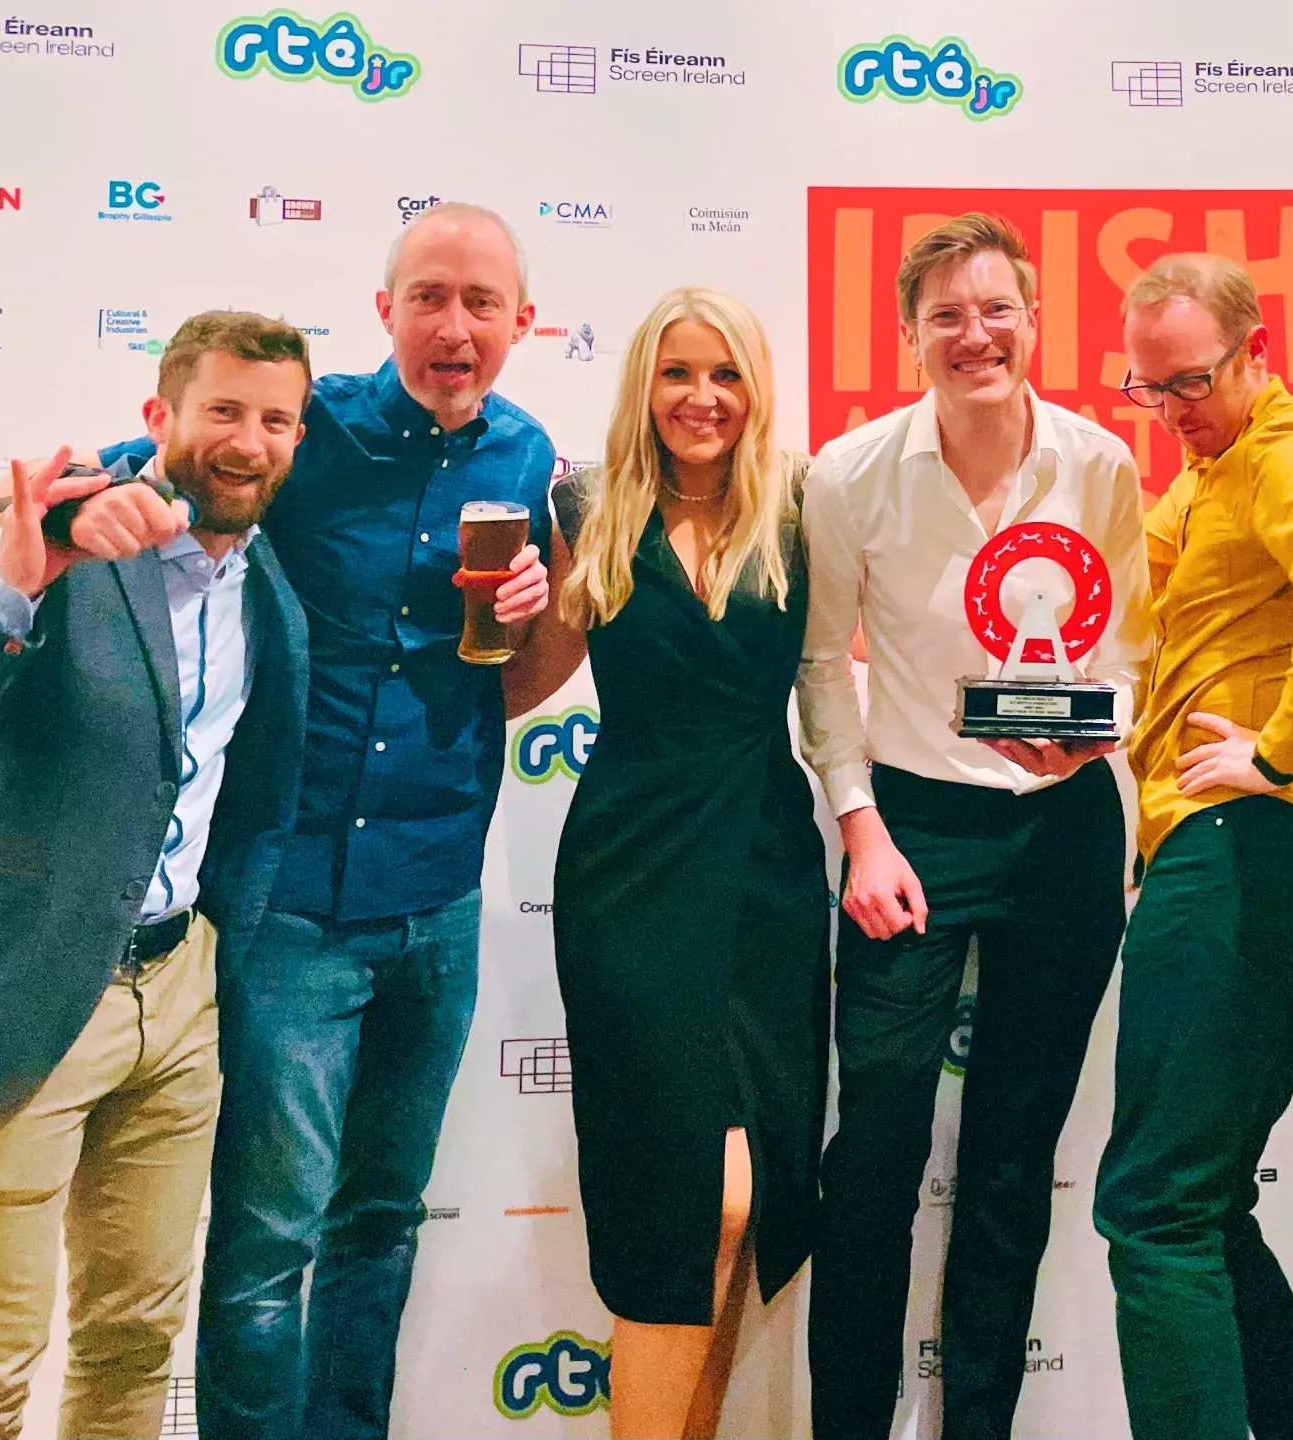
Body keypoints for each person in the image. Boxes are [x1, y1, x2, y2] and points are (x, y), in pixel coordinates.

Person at [72, 204, 554, 1440]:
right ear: (386, 307)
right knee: (268, 1234)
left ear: (519, 323)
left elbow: (510, 677)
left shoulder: (527, 454)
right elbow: (153, 484)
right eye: (430, 296)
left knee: (382, 1219)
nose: (455, 326)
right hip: (288, 900)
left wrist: (559, 614)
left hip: (438, 893)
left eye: (481, 303)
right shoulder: (306, 426)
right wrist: (42, 515)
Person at [0, 311, 313, 1440]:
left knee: (132, 1352)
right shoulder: (69, 547)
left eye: (275, 420)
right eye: (221, 412)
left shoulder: (269, 592)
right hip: (21, 996)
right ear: (158, 419)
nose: (248, 442)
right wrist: (19, 578)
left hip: (178, 1005)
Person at [798, 212, 1151, 1440]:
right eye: (946, 315)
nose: (975, 334)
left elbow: (1136, 646)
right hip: (911, 829)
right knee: (877, 1156)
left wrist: (1100, 732)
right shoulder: (845, 476)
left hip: (1064, 828)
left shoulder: (1102, 463)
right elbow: (820, 667)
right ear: (908, 339)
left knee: (1011, 1166)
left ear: (1035, 321)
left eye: (996, 308)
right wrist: (861, 827)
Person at [506, 286, 828, 1440]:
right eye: (678, 372)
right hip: (631, 878)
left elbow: (850, 675)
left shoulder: (801, 505)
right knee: (685, 1201)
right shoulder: (584, 507)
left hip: (770, 873)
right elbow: (520, 685)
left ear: (757, 389)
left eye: (725, 373)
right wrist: (494, 618)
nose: (702, 398)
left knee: (750, 1203)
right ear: (643, 383)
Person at [1092, 254, 1293, 1440]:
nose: (1172, 409)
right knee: (1203, 1207)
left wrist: (1279, 749)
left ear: (1257, 353)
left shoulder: (1279, 452)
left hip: (1248, 842)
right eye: (1148, 387)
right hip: (1244, 848)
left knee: (1158, 1215)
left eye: (1193, 381)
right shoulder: (1214, 472)